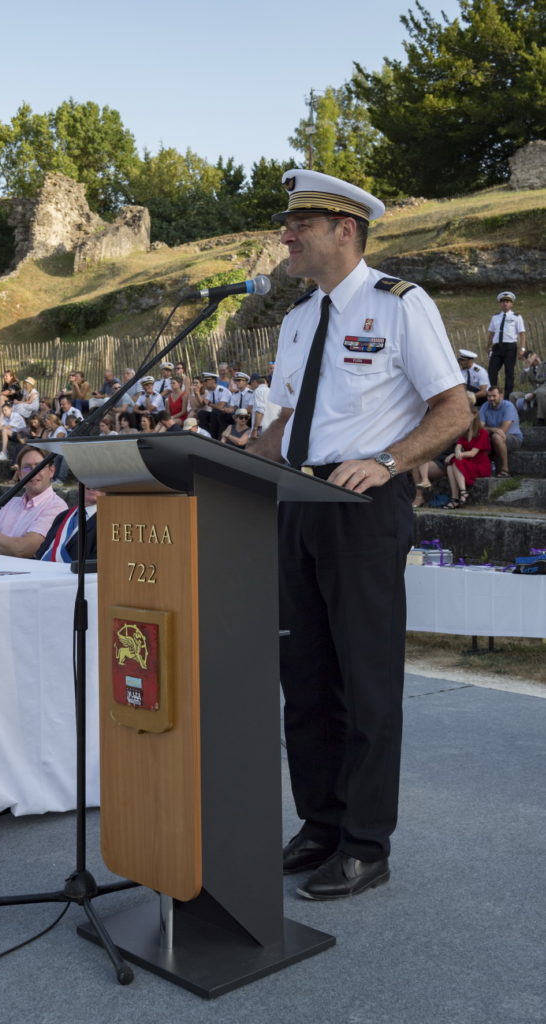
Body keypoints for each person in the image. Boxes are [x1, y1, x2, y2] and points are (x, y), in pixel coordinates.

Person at [251, 168, 468, 900]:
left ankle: (366, 843)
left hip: (363, 508)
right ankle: (321, 823)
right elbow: (286, 420)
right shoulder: (297, 318)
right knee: (304, 681)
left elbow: (453, 407)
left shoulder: (401, 306)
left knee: (364, 682)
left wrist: (387, 461)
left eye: (298, 226)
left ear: (344, 230)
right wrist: (221, 463)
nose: (285, 236)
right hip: (296, 503)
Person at [0, 446, 67, 558]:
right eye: (27, 468)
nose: (34, 472)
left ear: (51, 471)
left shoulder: (56, 506)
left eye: (40, 466)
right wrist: (6, 546)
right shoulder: (12, 503)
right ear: (20, 474)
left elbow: (23, 549)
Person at [443, 395, 492, 508]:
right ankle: (455, 498)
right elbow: (458, 446)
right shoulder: (464, 432)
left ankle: (463, 492)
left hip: (480, 465)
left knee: (455, 461)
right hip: (468, 462)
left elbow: (473, 453)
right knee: (450, 466)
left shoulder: (482, 432)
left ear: (474, 415)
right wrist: (455, 452)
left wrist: (455, 455)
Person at [36, 487, 103, 562]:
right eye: (89, 475)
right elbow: (41, 553)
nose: (93, 483)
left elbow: (97, 566)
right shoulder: (62, 516)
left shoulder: (111, 522)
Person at [486, 291, 525, 398]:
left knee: (509, 372)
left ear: (511, 304)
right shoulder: (495, 317)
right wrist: (488, 346)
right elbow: (491, 332)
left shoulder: (516, 317)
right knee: (491, 371)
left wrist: (522, 348)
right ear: (500, 304)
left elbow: (522, 333)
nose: (505, 304)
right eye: (503, 302)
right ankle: (493, 394)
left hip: (510, 347)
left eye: (507, 301)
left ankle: (508, 396)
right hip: (497, 347)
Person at [478, 386, 523, 477]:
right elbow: (479, 427)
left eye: (494, 396)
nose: (491, 399)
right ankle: (480, 469)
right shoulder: (485, 406)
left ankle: (505, 469)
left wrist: (490, 430)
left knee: (496, 437)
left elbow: (502, 430)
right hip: (492, 436)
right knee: (480, 437)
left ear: (501, 396)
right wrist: (493, 429)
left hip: (513, 438)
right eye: (489, 396)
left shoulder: (508, 406)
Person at [510, 350, 546, 424]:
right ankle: (514, 419)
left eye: (530, 358)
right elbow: (522, 381)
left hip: (542, 392)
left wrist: (534, 393)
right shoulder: (530, 369)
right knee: (513, 395)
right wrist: (527, 367)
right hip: (533, 392)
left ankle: (541, 419)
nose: (529, 360)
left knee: (540, 392)